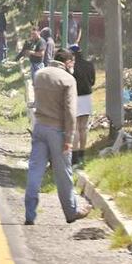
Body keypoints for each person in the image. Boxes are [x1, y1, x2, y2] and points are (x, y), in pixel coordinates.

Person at [25, 49, 92, 225]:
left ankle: (30, 212)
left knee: (35, 169)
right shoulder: (68, 79)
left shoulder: (40, 74)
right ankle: (71, 212)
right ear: (68, 62)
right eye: (72, 63)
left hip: (39, 126)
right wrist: (70, 139)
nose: (73, 66)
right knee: (63, 173)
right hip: (58, 131)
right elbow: (70, 112)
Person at [70, 45, 95, 167]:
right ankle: (82, 154)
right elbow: (93, 81)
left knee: (75, 128)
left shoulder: (72, 67)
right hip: (87, 97)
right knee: (83, 127)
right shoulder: (89, 64)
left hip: (75, 97)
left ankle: (74, 157)